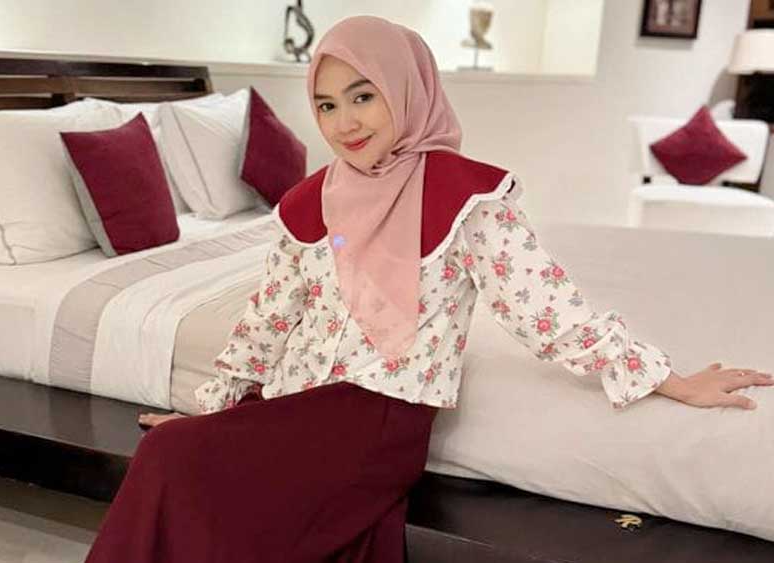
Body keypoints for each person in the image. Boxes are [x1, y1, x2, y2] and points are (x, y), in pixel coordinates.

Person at [85, 15, 772, 563]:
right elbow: (267, 317)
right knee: (174, 455)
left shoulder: (466, 195)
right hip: (295, 403)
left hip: (378, 418)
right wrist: (216, 412)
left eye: (364, 96)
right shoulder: (310, 200)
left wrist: (668, 380)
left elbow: (546, 307)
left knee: (174, 463)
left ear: (407, 88)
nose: (346, 123)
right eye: (326, 105)